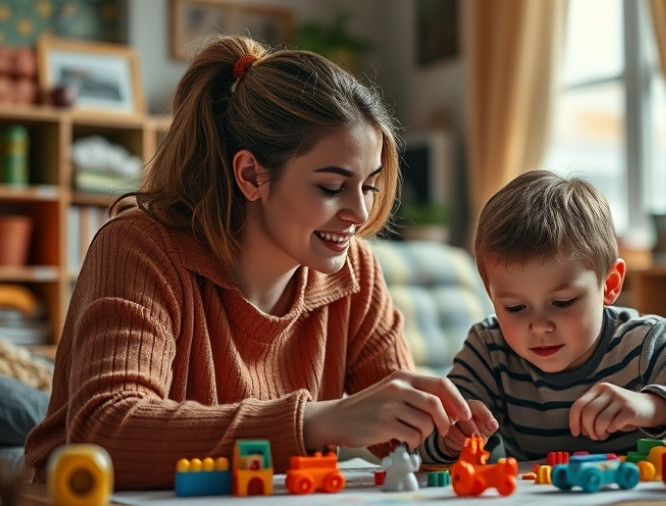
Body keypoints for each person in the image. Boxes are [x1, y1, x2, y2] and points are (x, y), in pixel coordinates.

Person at [24, 35, 471, 489]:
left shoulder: (356, 269)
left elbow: (405, 439)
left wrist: (448, 429)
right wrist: (316, 422)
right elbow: (106, 430)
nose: (359, 214)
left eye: (369, 186)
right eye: (333, 187)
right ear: (251, 175)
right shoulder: (139, 248)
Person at [420, 170, 666, 464]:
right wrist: (452, 436)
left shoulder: (644, 345)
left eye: (562, 302)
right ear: (491, 295)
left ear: (610, 285)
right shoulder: (489, 349)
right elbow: (426, 444)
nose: (539, 326)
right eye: (514, 308)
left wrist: (654, 407)